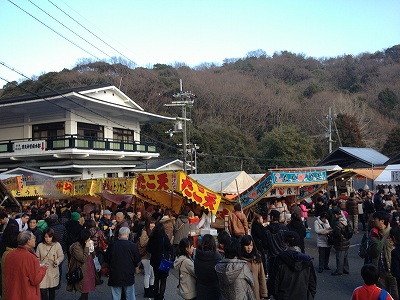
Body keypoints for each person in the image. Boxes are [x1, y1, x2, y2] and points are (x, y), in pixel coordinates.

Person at [268, 231, 317, 300]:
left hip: (284, 296)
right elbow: (312, 281)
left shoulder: (280, 258)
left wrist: (276, 295)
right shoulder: (306, 259)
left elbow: (274, 280)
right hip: (302, 296)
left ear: (286, 243)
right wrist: (311, 295)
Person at [4, 231, 48, 299]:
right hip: (27, 294)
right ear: (28, 241)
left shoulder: (9, 255)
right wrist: (43, 269)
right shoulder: (31, 258)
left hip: (12, 294)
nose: (35, 239)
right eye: (33, 237)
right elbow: (35, 280)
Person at [368, 211, 399, 298]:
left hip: (392, 269)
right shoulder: (373, 232)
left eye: (375, 219)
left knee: (395, 294)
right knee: (382, 295)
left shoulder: (393, 232)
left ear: (382, 221)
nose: (373, 220)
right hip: (379, 269)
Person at [107, 227, 141, 300]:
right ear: (128, 235)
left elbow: (107, 258)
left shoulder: (112, 245)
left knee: (116, 295)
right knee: (130, 295)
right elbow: (137, 259)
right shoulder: (133, 246)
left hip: (115, 272)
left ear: (119, 234)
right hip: (128, 272)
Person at [66, 229, 96, 300]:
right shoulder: (76, 247)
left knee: (87, 290)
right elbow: (83, 259)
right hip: (82, 270)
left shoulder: (85, 244)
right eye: (88, 238)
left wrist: (92, 248)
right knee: (84, 290)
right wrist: (87, 247)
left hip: (89, 268)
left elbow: (93, 256)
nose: (89, 239)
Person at [264, 209, 288, 297]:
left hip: (271, 256)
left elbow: (265, 245)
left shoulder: (266, 229)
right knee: (282, 276)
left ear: (272, 217)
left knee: (271, 277)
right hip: (283, 256)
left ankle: (270, 293)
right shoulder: (284, 228)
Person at [36, 227, 64, 300]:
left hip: (53, 270)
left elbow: (61, 256)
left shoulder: (57, 245)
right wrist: (40, 264)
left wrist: (57, 261)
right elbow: (37, 258)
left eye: (49, 237)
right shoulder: (40, 245)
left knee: (52, 290)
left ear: (52, 237)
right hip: (42, 271)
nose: (47, 239)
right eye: (46, 237)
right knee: (42, 291)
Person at [147, 222, 172, 300]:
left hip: (155, 261)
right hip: (163, 261)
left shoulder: (152, 236)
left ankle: (156, 296)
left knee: (156, 279)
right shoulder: (164, 237)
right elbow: (169, 248)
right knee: (163, 280)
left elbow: (149, 249)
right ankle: (161, 297)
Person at [194, 234, 222, 300]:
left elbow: (196, 271)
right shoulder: (217, 257)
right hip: (214, 289)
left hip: (201, 288)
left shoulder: (197, 255)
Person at [240, 235, 268, 300]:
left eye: (251, 245)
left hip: (256, 291)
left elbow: (261, 276)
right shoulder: (239, 259)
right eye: (247, 245)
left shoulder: (257, 258)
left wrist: (263, 293)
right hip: (243, 291)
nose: (249, 248)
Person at [139, 217, 156, 298]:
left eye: (154, 223)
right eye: (151, 223)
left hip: (151, 256)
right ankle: (147, 291)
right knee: (147, 273)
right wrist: (150, 239)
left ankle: (151, 289)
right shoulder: (145, 232)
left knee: (152, 274)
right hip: (145, 256)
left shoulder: (153, 231)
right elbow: (142, 243)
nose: (152, 225)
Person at [331, 208, 350, 276]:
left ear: (336, 215)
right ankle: (346, 269)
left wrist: (331, 232)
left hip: (340, 242)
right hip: (346, 240)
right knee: (345, 256)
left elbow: (336, 234)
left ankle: (339, 270)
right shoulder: (346, 220)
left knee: (339, 257)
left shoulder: (338, 223)